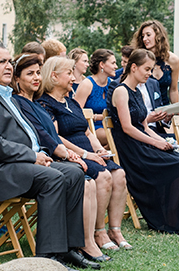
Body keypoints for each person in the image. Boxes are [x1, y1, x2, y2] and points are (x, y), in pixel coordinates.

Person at [0, 42, 89, 271]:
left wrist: (41, 155)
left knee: (74, 173)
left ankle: (68, 248)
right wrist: (31, 156)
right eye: (3, 62)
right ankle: (47, 259)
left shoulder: (2, 93)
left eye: (10, 62)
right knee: (54, 178)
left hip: (15, 164)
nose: (9, 67)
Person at [12, 55, 107, 265]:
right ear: (16, 79)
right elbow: (41, 135)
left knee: (86, 180)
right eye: (30, 74)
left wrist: (72, 154)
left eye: (38, 72)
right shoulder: (18, 102)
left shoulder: (33, 103)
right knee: (80, 177)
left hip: (52, 156)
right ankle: (65, 248)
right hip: (34, 162)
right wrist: (70, 154)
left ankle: (75, 245)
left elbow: (51, 135)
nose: (36, 78)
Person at [38, 55, 130, 252]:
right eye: (69, 73)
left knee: (119, 174)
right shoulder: (45, 104)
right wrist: (86, 154)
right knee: (104, 177)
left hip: (89, 150)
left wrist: (98, 149)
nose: (74, 78)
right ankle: (98, 232)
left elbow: (87, 131)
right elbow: (55, 137)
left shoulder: (71, 102)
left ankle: (115, 229)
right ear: (54, 77)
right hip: (71, 153)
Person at [110, 49, 179, 235]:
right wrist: (156, 144)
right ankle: (169, 220)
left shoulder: (137, 92)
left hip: (143, 142)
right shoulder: (121, 91)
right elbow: (128, 128)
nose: (150, 74)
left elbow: (145, 127)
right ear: (134, 67)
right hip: (132, 149)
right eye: (147, 69)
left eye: (151, 69)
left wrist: (163, 140)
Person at [73, 48, 116, 146]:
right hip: (92, 127)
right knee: (116, 135)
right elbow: (75, 113)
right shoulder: (87, 84)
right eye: (113, 63)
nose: (116, 66)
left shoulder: (112, 84)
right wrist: (98, 117)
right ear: (102, 65)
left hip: (111, 125)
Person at [131, 20, 179, 103]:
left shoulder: (173, 60)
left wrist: (176, 113)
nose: (144, 39)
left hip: (165, 109)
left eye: (148, 35)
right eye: (143, 36)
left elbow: (174, 90)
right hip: (144, 108)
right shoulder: (138, 58)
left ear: (158, 36)